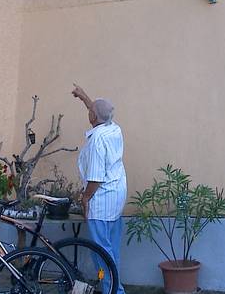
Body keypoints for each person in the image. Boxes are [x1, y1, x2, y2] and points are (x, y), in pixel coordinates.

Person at [72, 84, 127, 294]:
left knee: (101, 252)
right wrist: (84, 96)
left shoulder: (97, 141)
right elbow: (98, 112)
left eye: (90, 111)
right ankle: (114, 288)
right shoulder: (114, 128)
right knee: (111, 248)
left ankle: (112, 290)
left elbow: (94, 179)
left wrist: (85, 199)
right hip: (116, 196)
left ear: (92, 116)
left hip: (101, 200)